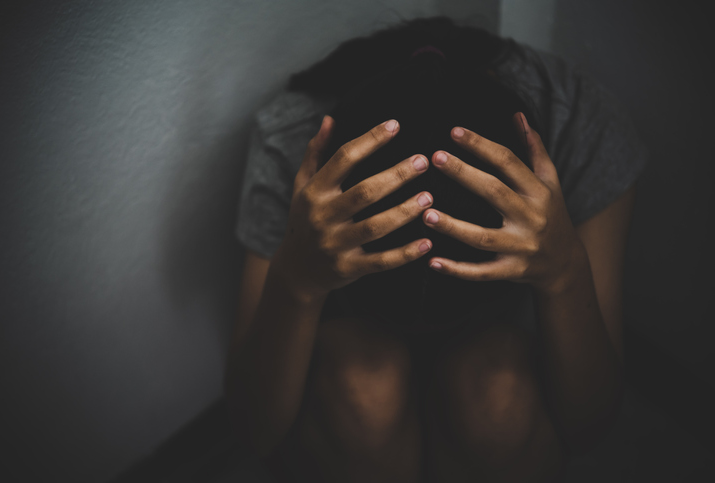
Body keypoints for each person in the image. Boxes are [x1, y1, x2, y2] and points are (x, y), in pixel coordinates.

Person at [225, 17, 648, 482]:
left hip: (502, 367)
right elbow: (253, 430)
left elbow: (589, 427)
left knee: (499, 395)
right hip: (354, 367)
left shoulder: (578, 122)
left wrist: (564, 271)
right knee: (363, 385)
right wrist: (297, 281)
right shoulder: (293, 140)